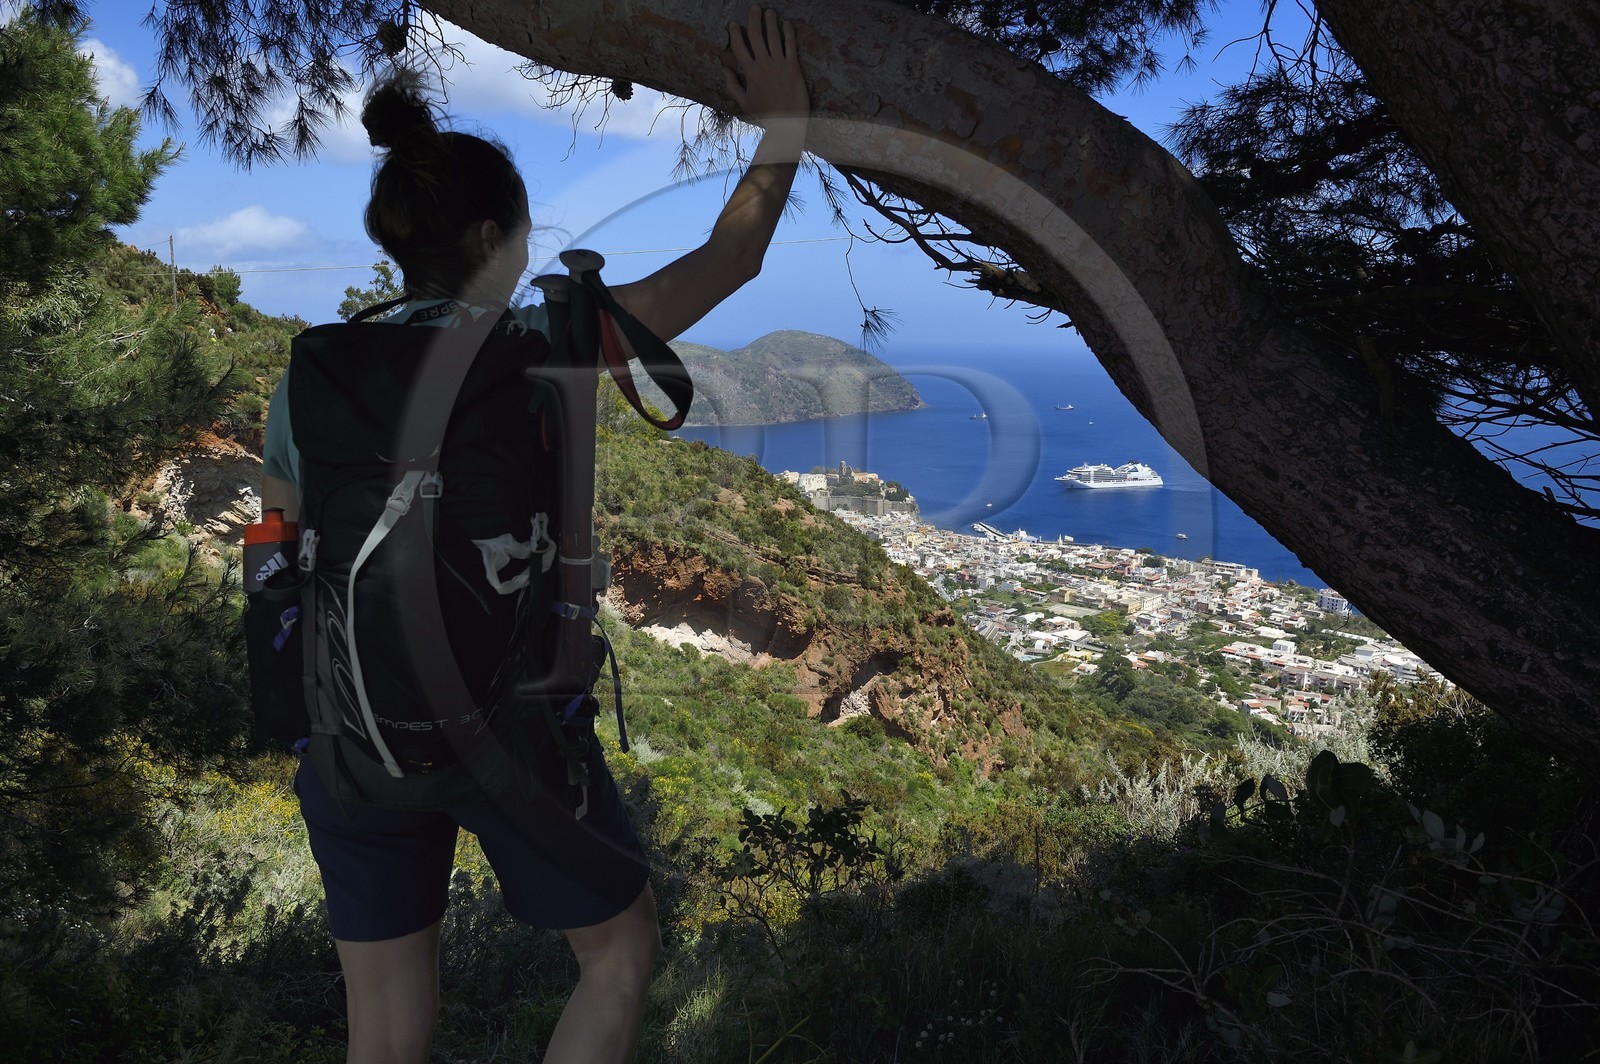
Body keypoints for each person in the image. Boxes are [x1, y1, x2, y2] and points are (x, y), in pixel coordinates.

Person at [258, 9, 808, 1062]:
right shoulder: (546, 343)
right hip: (507, 729)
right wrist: (782, 127)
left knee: (380, 1022)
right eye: (517, 233)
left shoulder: (312, 373)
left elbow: (282, 545)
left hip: (352, 733)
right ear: (485, 240)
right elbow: (730, 259)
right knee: (616, 950)